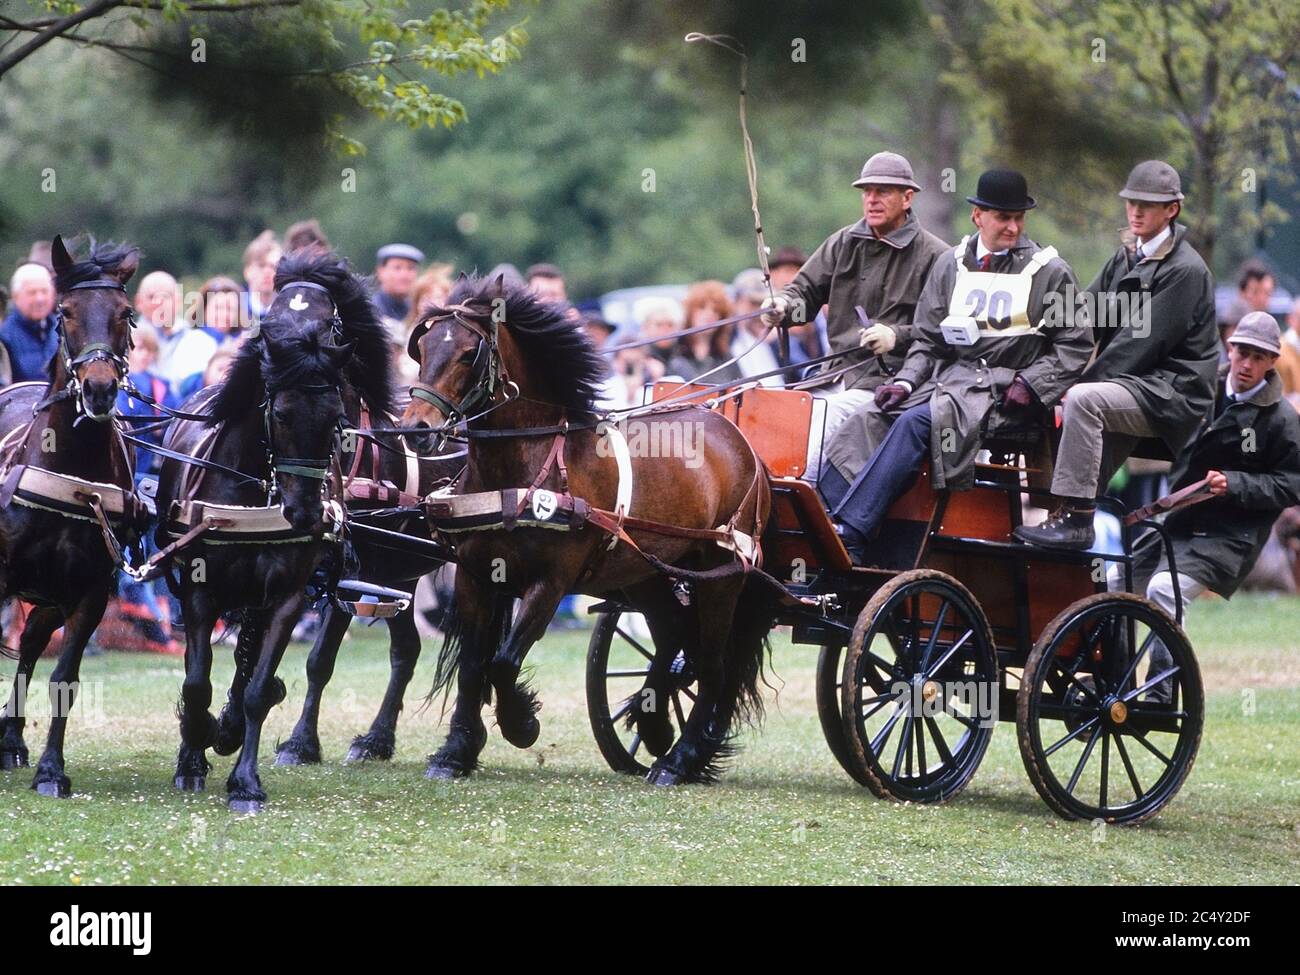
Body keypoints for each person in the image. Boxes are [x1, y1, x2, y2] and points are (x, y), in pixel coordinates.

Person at [823, 169, 1091, 562]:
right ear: (978, 216)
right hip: (947, 386)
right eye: (1003, 217)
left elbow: (1075, 345)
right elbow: (929, 340)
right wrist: (905, 382)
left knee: (915, 423)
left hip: (1003, 396)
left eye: (1019, 218)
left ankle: (853, 533)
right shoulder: (951, 265)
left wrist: (1032, 384)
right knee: (869, 417)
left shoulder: (1050, 272)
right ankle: (828, 521)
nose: (1013, 227)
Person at [1015, 160, 1219, 550]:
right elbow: (1082, 316)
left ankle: (1077, 523)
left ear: (1172, 209)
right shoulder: (1127, 256)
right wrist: (1028, 350)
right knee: (1057, 407)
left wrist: (1067, 385)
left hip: (1172, 392)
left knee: (1083, 400)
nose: (1136, 212)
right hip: (1133, 386)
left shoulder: (1186, 270)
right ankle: (1060, 526)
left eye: (1147, 204)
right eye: (1131, 203)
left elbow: (1139, 345)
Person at [1122, 312, 1300, 701]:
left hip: (1229, 537)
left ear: (1273, 361)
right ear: (1229, 349)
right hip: (1181, 518)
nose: (1247, 365)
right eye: (1242, 353)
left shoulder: (1283, 421)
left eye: (1258, 357)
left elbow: (1292, 484)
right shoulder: (1204, 389)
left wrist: (1235, 484)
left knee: (1163, 590)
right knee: (1116, 582)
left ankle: (1162, 692)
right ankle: (1113, 679)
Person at [762, 151, 950, 473]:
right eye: (867, 192)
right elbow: (803, 292)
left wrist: (896, 336)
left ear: (908, 198)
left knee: (823, 419)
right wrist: (782, 306)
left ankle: (796, 505)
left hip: (892, 385)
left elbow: (943, 333)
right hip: (833, 375)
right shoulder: (843, 242)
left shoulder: (937, 256)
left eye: (883, 192)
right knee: (771, 415)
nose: (872, 200)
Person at [134, 270, 218, 393]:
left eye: (166, 296)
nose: (159, 302)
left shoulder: (201, 342)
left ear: (178, 301)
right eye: (152, 296)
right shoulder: (124, 340)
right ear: (138, 302)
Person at [668, 280, 741, 383]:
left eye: (716, 311)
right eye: (702, 307)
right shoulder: (672, 349)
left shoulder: (725, 356)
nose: (709, 314)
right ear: (690, 312)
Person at [0, 262, 58, 382]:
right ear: (15, 297)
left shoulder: (62, 330)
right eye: (32, 292)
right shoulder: (4, 337)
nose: (39, 299)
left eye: (44, 291)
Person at [730, 268, 783, 387]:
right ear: (737, 302)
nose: (761, 310)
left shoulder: (777, 342)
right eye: (754, 303)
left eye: (767, 304)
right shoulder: (724, 343)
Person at [371, 243, 424, 323]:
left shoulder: (418, 311)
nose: (404, 275)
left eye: (410, 268)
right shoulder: (370, 311)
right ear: (381, 272)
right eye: (397, 268)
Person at [242, 230, 282, 324]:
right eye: (261, 265)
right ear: (247, 271)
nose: (267, 272)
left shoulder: (289, 311)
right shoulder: (233, 310)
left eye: (273, 266)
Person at [192, 275, 244, 346]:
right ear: (204, 309)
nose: (224, 315)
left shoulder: (244, 343)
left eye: (230, 309)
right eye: (218, 307)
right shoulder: (191, 341)